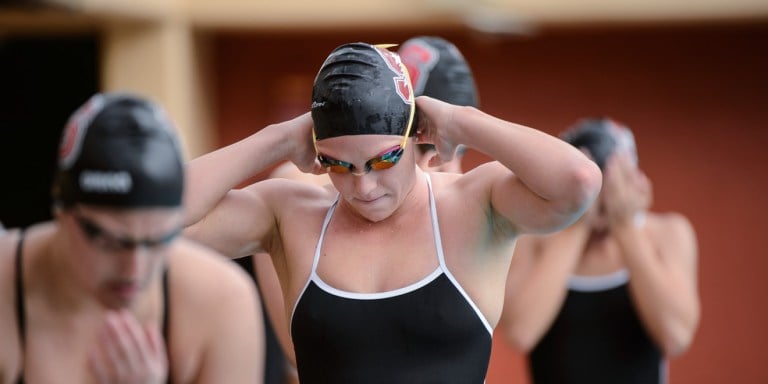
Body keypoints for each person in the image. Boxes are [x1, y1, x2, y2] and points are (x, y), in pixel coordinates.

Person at [183, 42, 602, 383]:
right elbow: (162, 215)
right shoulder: (291, 213)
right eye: (339, 165)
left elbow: (578, 182)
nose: (363, 187)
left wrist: (461, 120)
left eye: (383, 160)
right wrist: (277, 139)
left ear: (415, 135)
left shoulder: (472, 205)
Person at [251, 36, 481, 383]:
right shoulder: (300, 200)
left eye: (461, 151)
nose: (452, 170)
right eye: (438, 150)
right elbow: (304, 352)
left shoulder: (461, 205)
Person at [0, 92, 265, 383]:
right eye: (110, 241)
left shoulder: (221, 301)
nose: (134, 270)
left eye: (159, 239)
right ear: (62, 213)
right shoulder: (6, 290)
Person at [500, 118, 700, 384]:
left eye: (610, 191)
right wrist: (575, 224)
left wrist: (625, 226)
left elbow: (675, 336)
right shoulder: (534, 240)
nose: (601, 210)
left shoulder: (667, 234)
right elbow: (520, 333)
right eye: (594, 193)